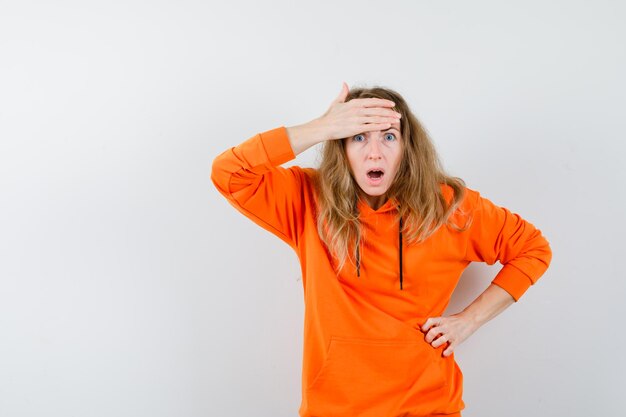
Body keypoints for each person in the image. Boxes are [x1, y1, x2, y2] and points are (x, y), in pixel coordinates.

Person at [211, 82, 552, 417]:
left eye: (388, 136)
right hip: (334, 409)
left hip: (426, 407)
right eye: (358, 136)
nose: (374, 152)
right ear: (340, 147)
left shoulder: (450, 208)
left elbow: (533, 249)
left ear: (407, 147)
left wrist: (468, 321)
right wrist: (321, 127)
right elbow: (229, 173)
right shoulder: (308, 199)